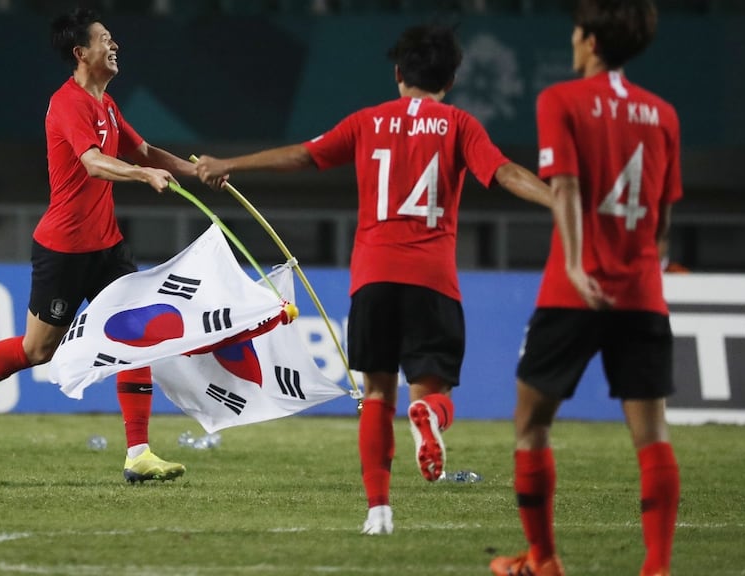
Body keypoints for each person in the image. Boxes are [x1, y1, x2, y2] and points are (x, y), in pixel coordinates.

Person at [195, 24, 555, 535]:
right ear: (450, 80)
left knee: (377, 395)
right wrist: (556, 200)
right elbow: (503, 172)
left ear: (398, 74)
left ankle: (378, 514)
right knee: (432, 391)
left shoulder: (368, 121)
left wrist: (229, 164)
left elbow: (304, 155)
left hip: (373, 278)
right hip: (431, 279)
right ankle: (429, 415)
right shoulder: (459, 124)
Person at [0, 7, 216, 484]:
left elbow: (144, 151)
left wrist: (197, 169)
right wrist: (143, 175)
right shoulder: (68, 103)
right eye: (105, 39)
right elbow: (94, 163)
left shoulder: (108, 104)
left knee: (138, 334)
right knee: (37, 350)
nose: (115, 44)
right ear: (81, 52)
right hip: (63, 249)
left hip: (107, 247)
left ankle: (139, 453)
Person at [489, 1, 681, 575]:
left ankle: (543, 560)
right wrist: (645, 268)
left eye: (577, 32)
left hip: (572, 292)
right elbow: (662, 220)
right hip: (641, 293)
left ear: (591, 41)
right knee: (652, 435)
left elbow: (567, 188)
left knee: (531, 423)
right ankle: (657, 568)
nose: (572, 40)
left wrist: (576, 265)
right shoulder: (663, 114)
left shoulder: (561, 100)